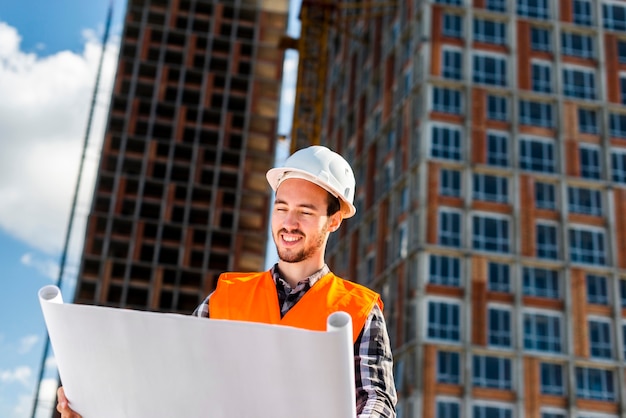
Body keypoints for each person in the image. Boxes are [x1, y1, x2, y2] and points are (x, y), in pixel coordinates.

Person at [57, 145, 397, 418]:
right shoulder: (225, 298)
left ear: (334, 221)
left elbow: (376, 402)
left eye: (305, 212)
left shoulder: (359, 310)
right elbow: (173, 381)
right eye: (281, 208)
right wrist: (97, 408)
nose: (289, 223)